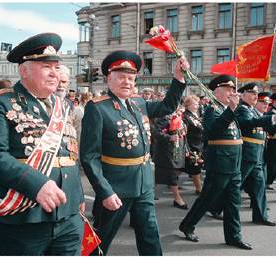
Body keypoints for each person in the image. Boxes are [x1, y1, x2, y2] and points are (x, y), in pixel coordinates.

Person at [0, 33, 85, 255]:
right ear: (24, 70)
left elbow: (68, 154)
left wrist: (78, 196)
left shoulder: (63, 106)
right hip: (25, 216)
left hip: (69, 215)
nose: (54, 73)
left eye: (56, 67)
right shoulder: (0, 102)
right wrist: (37, 184)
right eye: (46, 67)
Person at [80, 50, 189, 255]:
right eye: (121, 77)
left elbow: (167, 105)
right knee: (101, 238)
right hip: (116, 186)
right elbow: (89, 157)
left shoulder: (138, 103)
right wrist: (105, 191)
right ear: (108, 78)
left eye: (131, 78)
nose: (127, 82)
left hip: (144, 182)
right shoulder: (98, 108)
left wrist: (179, 78)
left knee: (149, 233)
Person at [179, 75, 252, 250]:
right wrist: (231, 110)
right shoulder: (213, 109)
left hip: (234, 163)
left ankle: (234, 236)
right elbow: (212, 131)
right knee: (207, 198)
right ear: (217, 92)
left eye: (232, 89)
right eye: (228, 89)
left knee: (233, 202)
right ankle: (187, 224)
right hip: (219, 163)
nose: (232, 93)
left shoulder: (229, 109)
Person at [236, 83, 276, 226]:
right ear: (243, 95)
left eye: (256, 94)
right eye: (253, 93)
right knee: (235, 185)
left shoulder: (252, 110)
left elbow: (267, 126)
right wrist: (273, 118)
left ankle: (260, 215)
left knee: (259, 186)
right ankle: (216, 207)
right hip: (247, 154)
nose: (256, 96)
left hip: (257, 154)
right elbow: (249, 123)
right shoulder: (242, 109)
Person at [153, 106, 188, 209]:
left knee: (162, 175)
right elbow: (156, 133)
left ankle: (147, 193)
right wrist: (169, 137)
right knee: (171, 175)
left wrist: (186, 148)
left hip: (178, 149)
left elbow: (182, 134)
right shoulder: (164, 117)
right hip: (167, 152)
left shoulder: (179, 116)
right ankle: (177, 199)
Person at [182, 95, 204, 194]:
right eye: (194, 103)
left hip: (199, 144)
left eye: (197, 103)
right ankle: (199, 188)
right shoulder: (185, 116)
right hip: (192, 144)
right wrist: (186, 148)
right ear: (188, 105)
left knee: (197, 166)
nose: (197, 105)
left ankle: (172, 182)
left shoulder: (195, 114)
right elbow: (184, 133)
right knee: (195, 167)